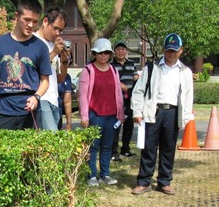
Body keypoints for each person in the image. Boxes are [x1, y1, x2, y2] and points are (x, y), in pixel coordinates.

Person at [131, 33, 193, 196]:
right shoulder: (152, 68)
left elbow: (188, 96)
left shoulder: (185, 72)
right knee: (149, 147)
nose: (171, 54)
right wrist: (137, 111)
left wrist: (184, 118)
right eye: (168, 51)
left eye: (174, 51)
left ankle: (164, 181)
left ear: (180, 51)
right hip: (153, 111)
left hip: (173, 113)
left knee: (168, 148)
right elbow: (138, 90)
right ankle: (144, 181)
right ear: (163, 50)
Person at [0, 0, 52, 130]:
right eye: (27, 20)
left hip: (29, 109)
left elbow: (45, 80)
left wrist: (36, 97)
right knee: (2, 150)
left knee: (30, 151)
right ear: (16, 16)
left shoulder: (40, 47)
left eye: (35, 21)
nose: (31, 25)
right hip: (3, 109)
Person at [79, 38, 125, 186]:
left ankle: (105, 174)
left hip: (111, 115)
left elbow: (118, 92)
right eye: (100, 52)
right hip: (95, 115)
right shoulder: (88, 70)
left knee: (107, 146)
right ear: (94, 53)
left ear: (110, 54)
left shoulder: (113, 70)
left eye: (106, 52)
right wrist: (84, 116)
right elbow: (83, 96)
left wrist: (121, 113)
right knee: (93, 146)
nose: (103, 55)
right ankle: (91, 175)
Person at [34, 7, 71, 131]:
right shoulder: (33, 42)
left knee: (48, 144)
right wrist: (54, 52)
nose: (57, 33)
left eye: (61, 30)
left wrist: (65, 61)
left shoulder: (52, 44)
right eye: (55, 28)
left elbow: (60, 79)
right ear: (45, 21)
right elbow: (34, 69)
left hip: (54, 100)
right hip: (41, 99)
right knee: (52, 140)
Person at [110, 40, 139, 161]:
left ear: (126, 51)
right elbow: (111, 81)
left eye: (123, 49)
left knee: (129, 125)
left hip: (130, 100)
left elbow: (136, 78)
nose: (120, 51)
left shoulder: (132, 64)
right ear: (114, 52)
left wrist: (136, 89)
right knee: (115, 126)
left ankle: (125, 149)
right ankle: (113, 152)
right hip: (116, 100)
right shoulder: (111, 65)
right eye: (118, 49)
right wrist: (123, 87)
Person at [57, 55, 73, 130]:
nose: (66, 60)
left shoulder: (67, 77)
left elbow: (67, 102)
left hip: (58, 114)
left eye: (68, 59)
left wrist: (69, 123)